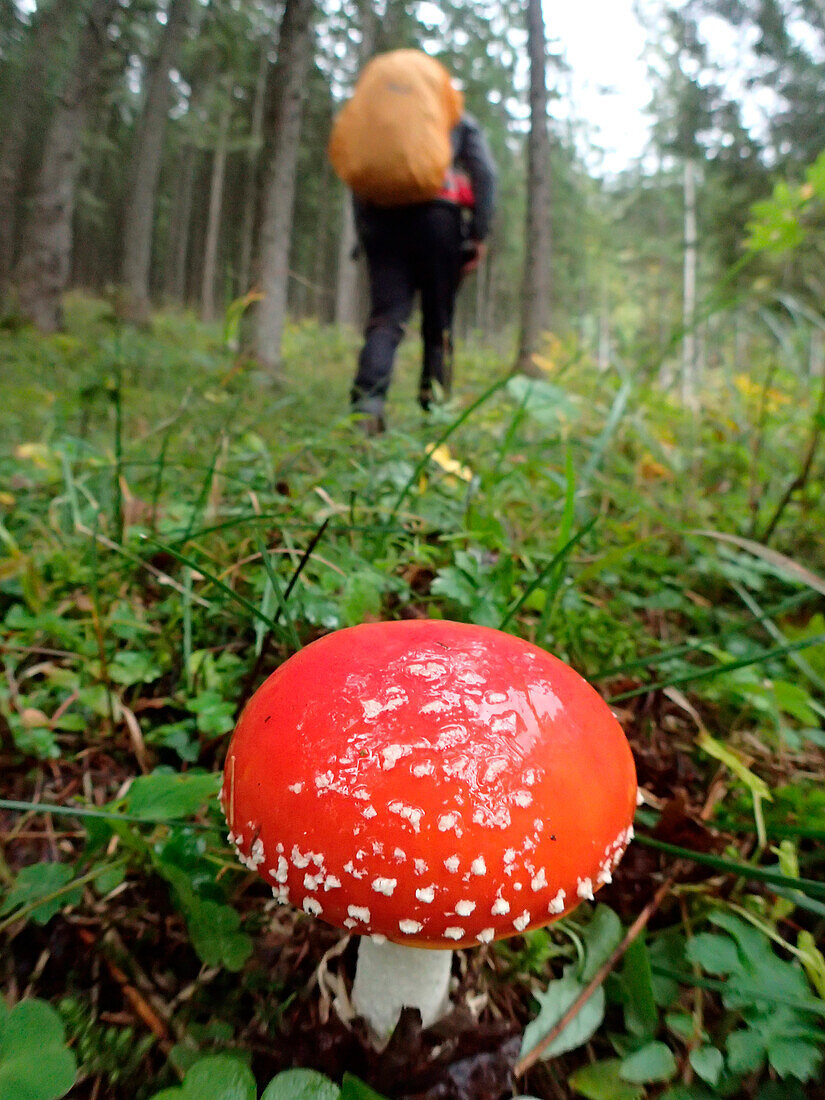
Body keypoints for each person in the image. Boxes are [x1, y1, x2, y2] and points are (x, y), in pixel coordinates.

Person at [350, 114, 497, 435]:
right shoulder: (454, 114)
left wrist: (364, 229)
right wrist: (478, 234)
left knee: (386, 320)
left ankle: (365, 411)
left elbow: (357, 173)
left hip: (383, 219)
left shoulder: (379, 118)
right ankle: (435, 418)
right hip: (440, 217)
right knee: (438, 326)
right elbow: (486, 173)